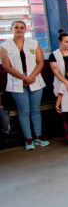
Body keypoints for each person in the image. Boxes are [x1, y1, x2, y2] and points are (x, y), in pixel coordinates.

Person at [0, 20, 48, 150]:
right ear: (11, 29)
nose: (19, 30)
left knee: (35, 110)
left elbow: (40, 63)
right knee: (23, 111)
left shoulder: (34, 43)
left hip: (35, 80)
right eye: (16, 27)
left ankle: (38, 136)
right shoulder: (5, 46)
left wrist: (30, 78)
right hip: (17, 82)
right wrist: (23, 78)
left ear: (26, 30)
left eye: (22, 27)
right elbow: (7, 66)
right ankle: (28, 139)